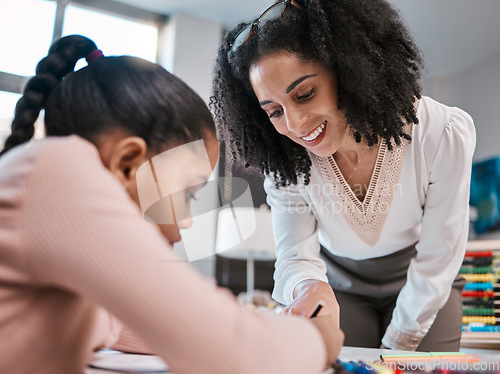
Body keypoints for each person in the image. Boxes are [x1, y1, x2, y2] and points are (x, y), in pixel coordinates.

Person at [0, 35, 343, 374]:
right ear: (127, 162)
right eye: (187, 194)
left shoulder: (62, 243)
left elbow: (133, 322)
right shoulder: (56, 172)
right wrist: (316, 339)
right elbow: (228, 351)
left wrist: (258, 325)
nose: (186, 223)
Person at [211, 0, 476, 351]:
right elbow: (295, 255)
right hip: (339, 286)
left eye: (305, 94)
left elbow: (439, 255)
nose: (294, 125)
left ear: (348, 70)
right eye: (274, 111)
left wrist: (397, 343)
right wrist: (308, 287)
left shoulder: (441, 131)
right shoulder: (288, 165)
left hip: (424, 278)